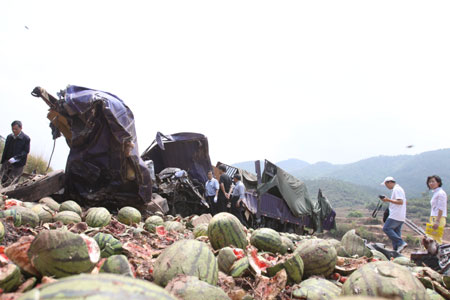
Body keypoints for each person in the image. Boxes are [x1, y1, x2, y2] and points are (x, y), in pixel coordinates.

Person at [380, 176, 408, 252]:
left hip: (395, 215)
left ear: (389, 182)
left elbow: (400, 202)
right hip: (400, 216)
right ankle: (396, 252)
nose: (386, 186)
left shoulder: (397, 189)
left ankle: (401, 242)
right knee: (396, 233)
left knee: (386, 228)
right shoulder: (399, 189)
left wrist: (388, 200)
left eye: (386, 184)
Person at [1, 121, 31, 186]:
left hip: (18, 164)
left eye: (16, 129)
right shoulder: (9, 137)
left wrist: (16, 158)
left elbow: (26, 151)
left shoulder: (26, 139)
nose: (14, 131)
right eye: (13, 129)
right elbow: (5, 149)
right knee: (2, 179)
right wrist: (3, 161)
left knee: (12, 182)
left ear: (21, 128)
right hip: (7, 162)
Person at [426, 175, 447, 243]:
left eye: (433, 181)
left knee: (436, 239)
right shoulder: (436, 193)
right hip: (433, 217)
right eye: (429, 182)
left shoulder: (441, 193)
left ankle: (438, 253)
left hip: (438, 218)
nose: (431, 183)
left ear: (438, 182)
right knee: (431, 238)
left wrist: (437, 221)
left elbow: (441, 208)